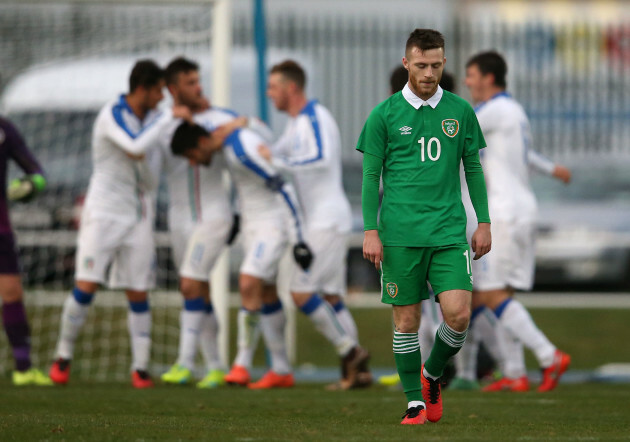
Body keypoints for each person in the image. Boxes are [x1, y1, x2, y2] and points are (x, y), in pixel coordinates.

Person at [357, 29, 492, 425]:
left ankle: (431, 372)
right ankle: (415, 402)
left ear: (444, 63)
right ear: (406, 64)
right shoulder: (383, 115)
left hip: (449, 232)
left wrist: (483, 221)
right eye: (421, 65)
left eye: (435, 65)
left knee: (459, 315)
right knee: (406, 321)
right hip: (400, 235)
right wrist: (370, 229)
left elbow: (474, 168)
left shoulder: (460, 111)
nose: (429, 72)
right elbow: (370, 177)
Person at [49, 59, 189, 388]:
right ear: (142, 88)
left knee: (139, 291)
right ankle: (63, 355)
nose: (162, 99)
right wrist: (166, 122)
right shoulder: (112, 114)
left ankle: (140, 368)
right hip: (103, 213)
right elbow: (134, 145)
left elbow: (151, 178)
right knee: (86, 286)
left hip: (138, 214)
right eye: (158, 91)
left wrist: (147, 162)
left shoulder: (156, 117)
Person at [156, 57, 273, 388]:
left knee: (190, 283)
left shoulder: (217, 117)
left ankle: (184, 363)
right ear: (172, 88)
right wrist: (169, 119)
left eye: (199, 80)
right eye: (191, 82)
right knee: (196, 289)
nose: (199, 88)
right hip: (179, 217)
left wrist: (239, 123)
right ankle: (216, 365)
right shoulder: (163, 122)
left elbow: (261, 130)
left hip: (214, 214)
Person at [458, 50, 571, 392]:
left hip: (503, 213)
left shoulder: (492, 111)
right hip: (520, 209)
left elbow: (453, 133)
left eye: (472, 75)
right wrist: (553, 169)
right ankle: (515, 373)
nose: (468, 82)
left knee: (491, 294)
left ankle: (548, 355)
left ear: (489, 78)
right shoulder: (514, 111)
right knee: (487, 295)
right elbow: (525, 154)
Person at [260, 59, 371, 389]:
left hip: (326, 221)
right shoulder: (295, 124)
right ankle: (357, 373)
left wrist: (280, 162)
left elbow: (321, 158)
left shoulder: (316, 117)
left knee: (300, 291)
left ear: (291, 88)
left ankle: (350, 351)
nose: (270, 94)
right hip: (322, 220)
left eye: (273, 88)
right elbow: (270, 151)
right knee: (332, 299)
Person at [378, 67, 458, 389]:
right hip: (440, 222)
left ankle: (437, 372)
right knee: (427, 310)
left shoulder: (443, 121)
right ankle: (431, 375)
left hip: (437, 223)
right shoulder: (395, 120)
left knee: (437, 309)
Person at [0, 116, 52, 386]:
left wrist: (32, 185)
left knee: (12, 293)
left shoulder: (5, 129)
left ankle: (23, 368)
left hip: (1, 228)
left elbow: (36, 171)